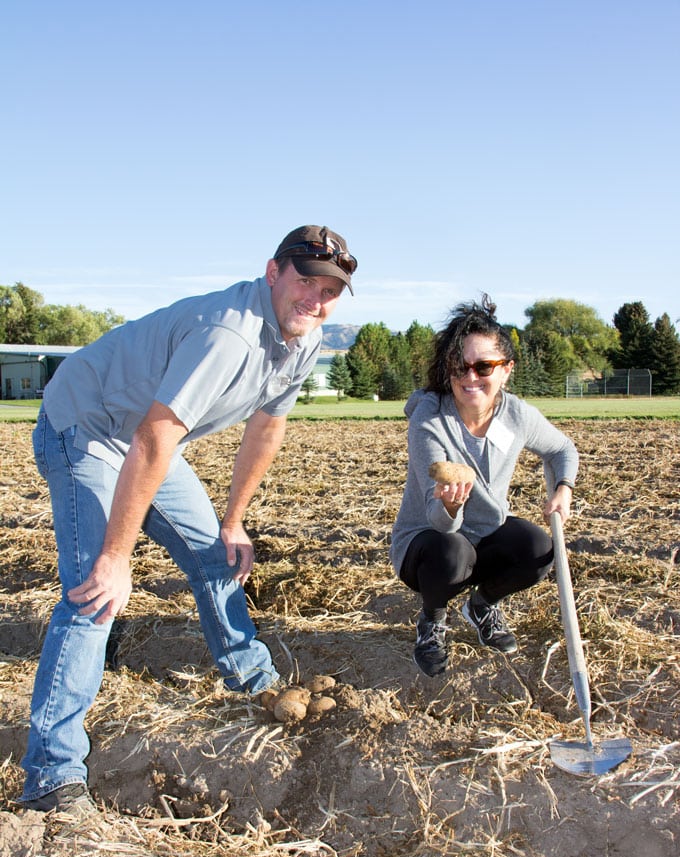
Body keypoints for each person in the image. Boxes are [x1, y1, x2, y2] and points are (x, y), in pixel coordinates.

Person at [20, 224, 357, 815]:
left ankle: (255, 681)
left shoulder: (305, 338)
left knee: (214, 556)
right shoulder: (229, 333)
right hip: (89, 427)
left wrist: (233, 520)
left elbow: (267, 426)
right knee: (95, 592)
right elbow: (155, 435)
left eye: (330, 290)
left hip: (145, 437)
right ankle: (52, 774)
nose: (316, 297)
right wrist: (116, 556)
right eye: (305, 280)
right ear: (273, 272)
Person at [390, 295, 578, 677]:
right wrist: (451, 505)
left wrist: (563, 488)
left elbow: (562, 448)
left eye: (484, 366)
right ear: (448, 369)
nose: (470, 377)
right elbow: (438, 520)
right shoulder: (430, 418)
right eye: (460, 366)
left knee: (541, 550)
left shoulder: (517, 415)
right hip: (428, 539)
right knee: (451, 551)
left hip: (487, 531)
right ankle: (432, 622)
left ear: (506, 370)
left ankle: (482, 605)